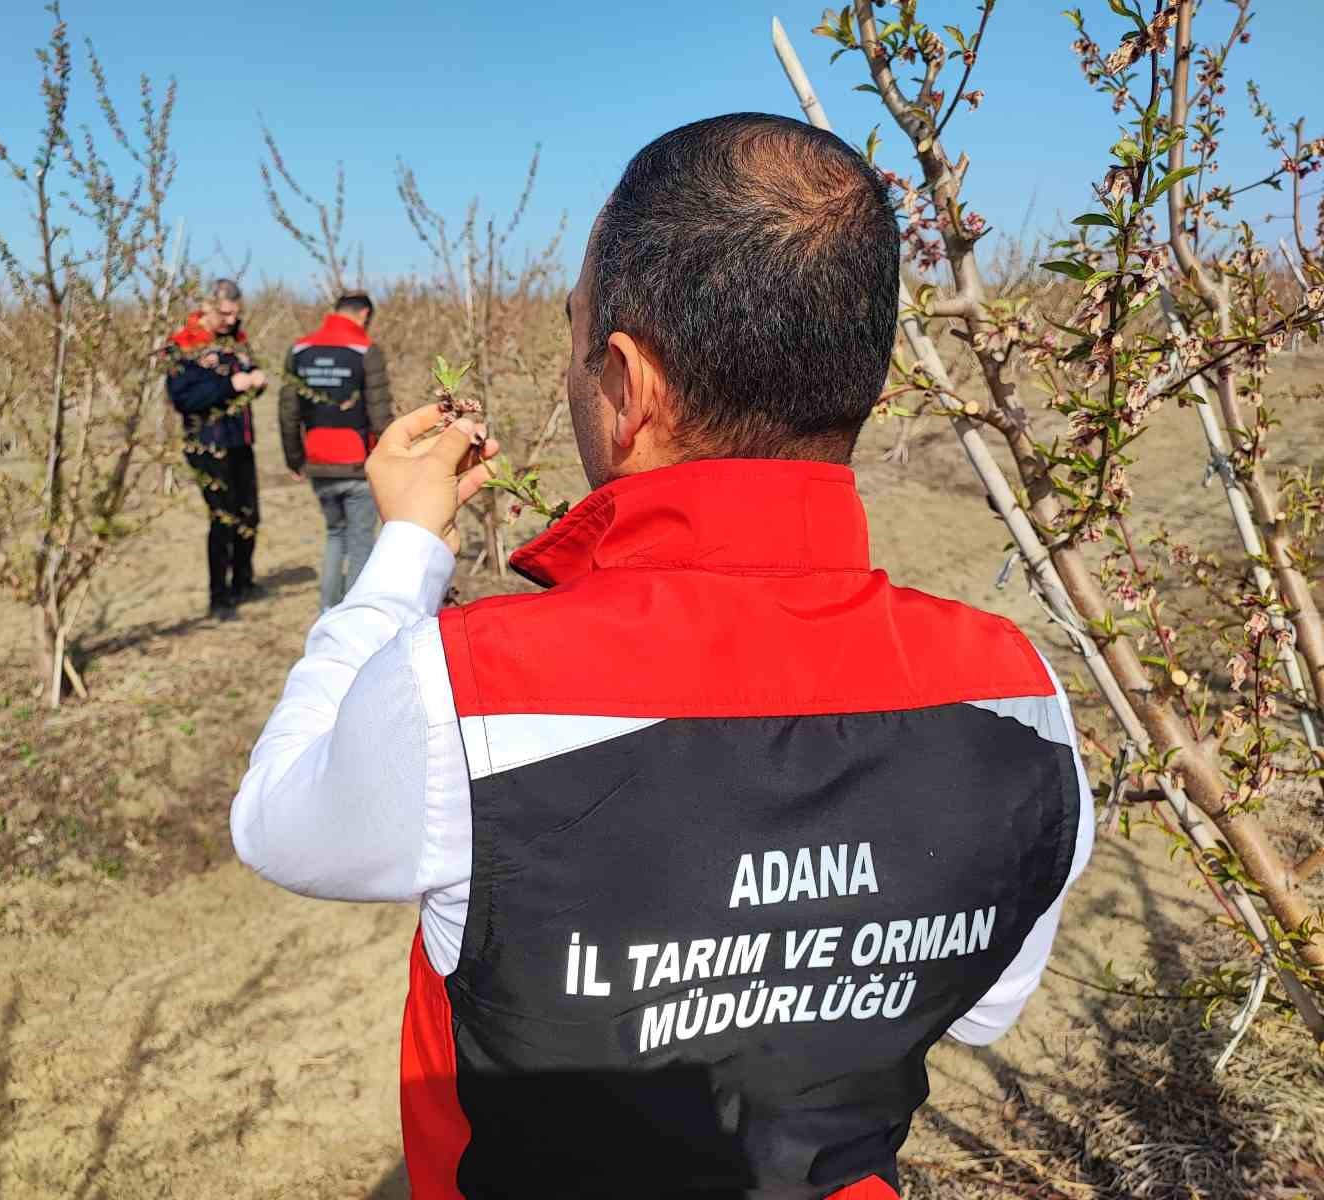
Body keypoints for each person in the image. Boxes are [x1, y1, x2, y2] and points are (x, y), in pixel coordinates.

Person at [232, 114, 1093, 1200]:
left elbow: (276, 820)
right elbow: (980, 1009)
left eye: (576, 333)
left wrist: (405, 551)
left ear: (629, 385)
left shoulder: (473, 691)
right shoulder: (1020, 696)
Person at [278, 290, 393, 610]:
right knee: (361, 542)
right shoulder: (366, 350)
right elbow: (380, 416)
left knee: (335, 535)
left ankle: (328, 610)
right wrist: (388, 459)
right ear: (364, 315)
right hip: (357, 464)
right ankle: (354, 615)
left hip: (318, 461)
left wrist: (295, 459)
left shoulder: (299, 350)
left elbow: (288, 412)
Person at [165, 279, 267, 620]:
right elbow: (184, 398)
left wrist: (256, 381)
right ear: (207, 307)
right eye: (225, 313)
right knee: (222, 519)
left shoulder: (236, 339)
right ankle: (219, 597)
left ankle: (243, 582)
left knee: (248, 515)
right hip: (208, 443)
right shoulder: (183, 344)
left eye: (236, 313)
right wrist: (229, 385)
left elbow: (248, 374)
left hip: (240, 439)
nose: (231, 320)